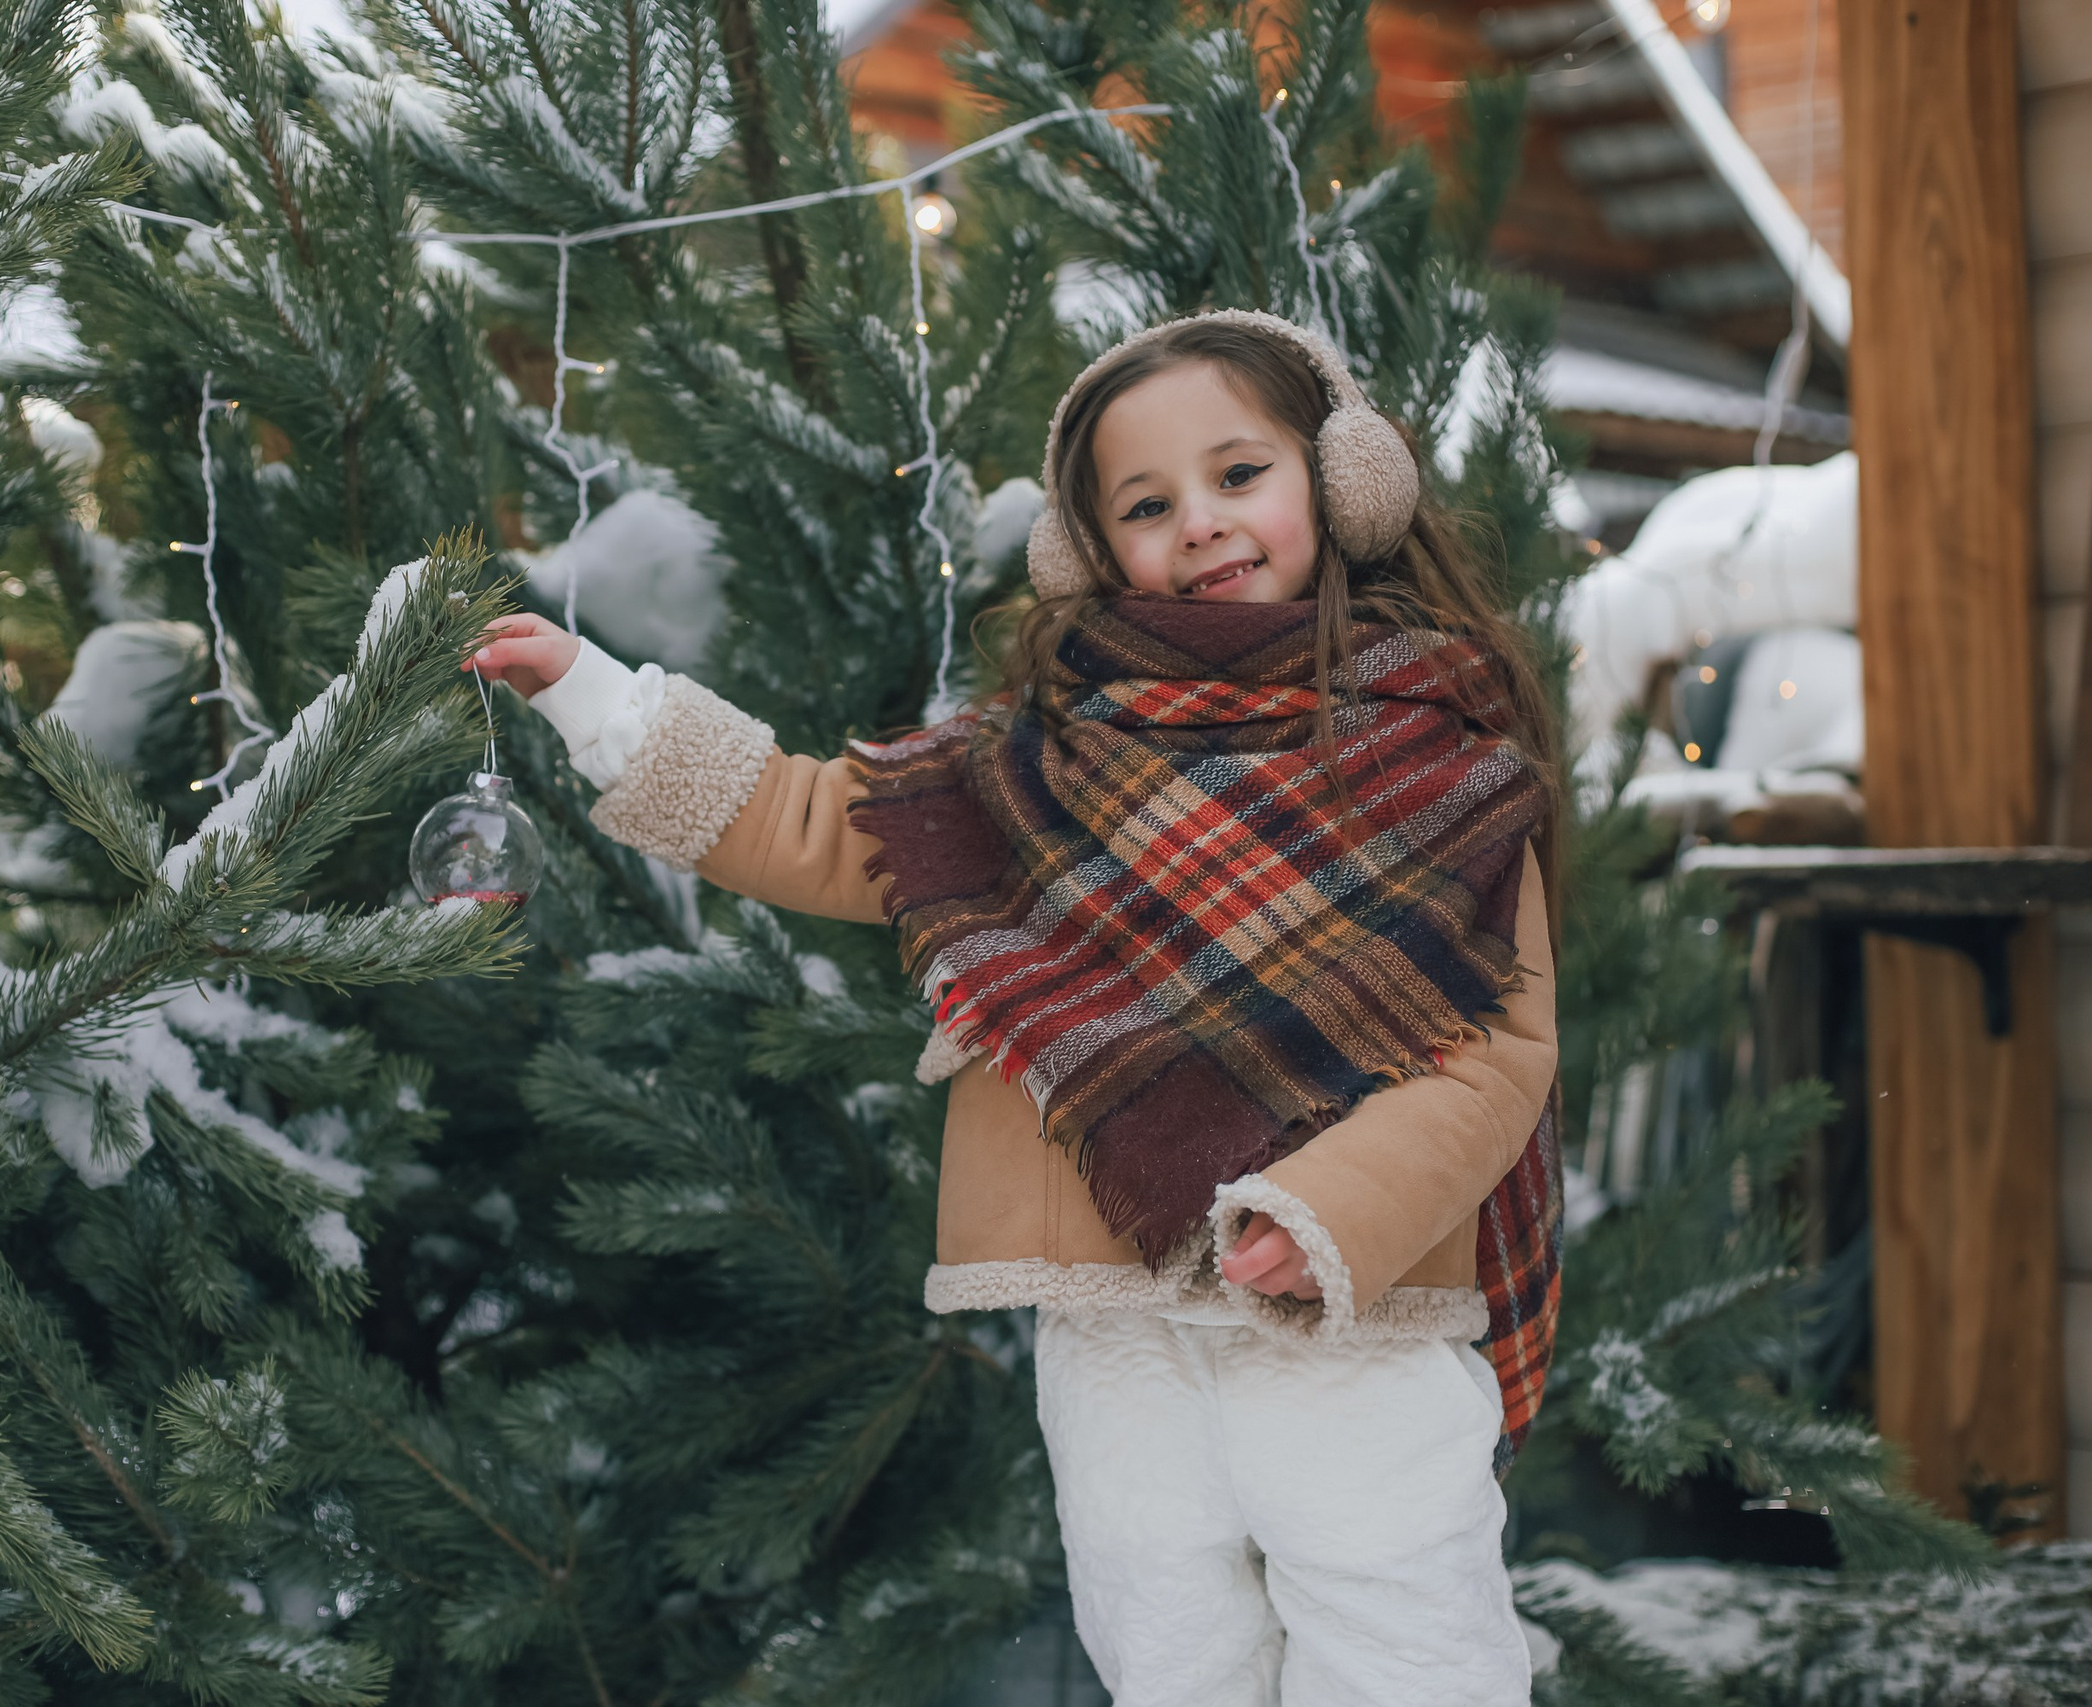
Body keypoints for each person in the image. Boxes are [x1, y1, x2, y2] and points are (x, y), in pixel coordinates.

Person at [469, 309, 1563, 1707]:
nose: (1205, 525)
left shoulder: (1441, 761)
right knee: (1167, 1640)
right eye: (1149, 504)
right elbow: (813, 819)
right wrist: (597, 704)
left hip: (1352, 1316)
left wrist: (1324, 1213)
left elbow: (1493, 1059)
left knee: (1405, 1635)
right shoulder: (1032, 764)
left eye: (1240, 476)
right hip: (1112, 1317)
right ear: (1091, 552)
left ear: (1346, 480)